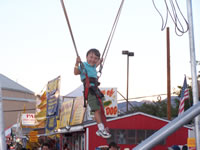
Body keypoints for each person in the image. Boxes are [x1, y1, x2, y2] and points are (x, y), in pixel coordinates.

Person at [74, 48, 111, 138]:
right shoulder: (83, 65)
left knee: (101, 108)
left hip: (95, 89)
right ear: (86, 57)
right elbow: (75, 72)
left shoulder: (93, 66)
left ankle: (100, 125)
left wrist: (100, 60)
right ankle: (100, 128)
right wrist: (77, 63)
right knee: (97, 109)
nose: (93, 60)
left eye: (95, 58)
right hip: (89, 90)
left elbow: (96, 64)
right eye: (91, 57)